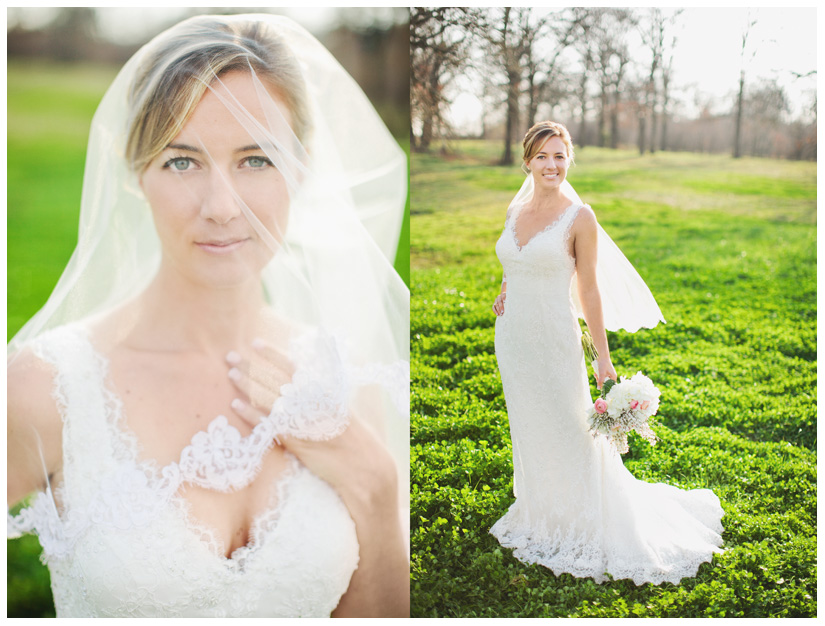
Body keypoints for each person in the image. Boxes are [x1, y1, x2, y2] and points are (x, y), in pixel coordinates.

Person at [7, 14, 409, 617]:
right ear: (136, 170)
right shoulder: (47, 386)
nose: (222, 207)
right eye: (182, 161)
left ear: (301, 165)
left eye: (256, 160)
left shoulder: (344, 380)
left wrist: (375, 486)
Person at [490, 120, 723, 585]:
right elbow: (514, 260)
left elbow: (589, 289)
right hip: (513, 338)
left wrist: (603, 356)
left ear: (569, 159)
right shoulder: (515, 210)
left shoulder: (580, 218)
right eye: (542, 156)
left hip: (555, 338)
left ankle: (580, 515)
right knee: (529, 423)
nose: (551, 164)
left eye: (559, 156)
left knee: (570, 426)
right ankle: (540, 505)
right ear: (527, 161)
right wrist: (504, 288)